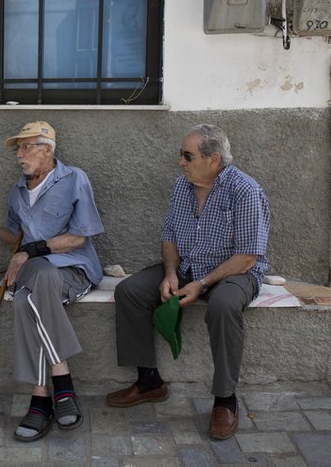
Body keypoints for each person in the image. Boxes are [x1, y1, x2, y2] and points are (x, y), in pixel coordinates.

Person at [106, 124, 270, 441]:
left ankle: (225, 400)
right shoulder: (183, 186)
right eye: (181, 155)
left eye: (187, 155)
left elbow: (248, 256)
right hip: (188, 268)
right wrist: (170, 274)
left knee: (223, 306)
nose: (180, 162)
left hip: (233, 272)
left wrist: (204, 283)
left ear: (213, 159)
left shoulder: (245, 191)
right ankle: (149, 381)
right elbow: (170, 236)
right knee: (130, 291)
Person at [0, 121, 104, 442]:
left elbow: (79, 238)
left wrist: (32, 251)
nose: (19, 155)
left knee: (26, 298)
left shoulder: (74, 179)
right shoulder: (16, 192)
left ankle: (40, 398)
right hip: (36, 270)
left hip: (72, 269)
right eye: (18, 148)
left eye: (27, 147)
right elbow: (17, 239)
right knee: (37, 276)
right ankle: (62, 388)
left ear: (48, 150)